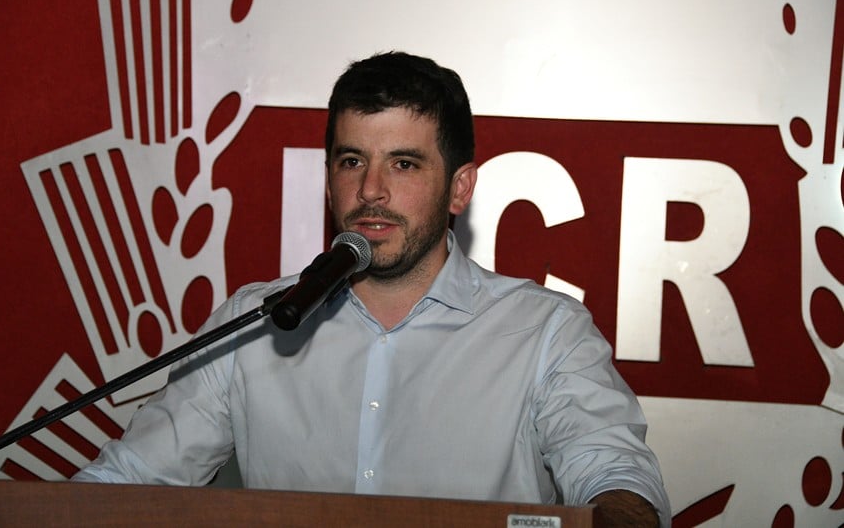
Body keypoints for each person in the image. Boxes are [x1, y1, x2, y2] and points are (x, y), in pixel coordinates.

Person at [73, 51, 671, 526]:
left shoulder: (545, 332)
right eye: (352, 161)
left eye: (404, 164)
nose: (372, 191)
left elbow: (618, 480)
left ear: (460, 189)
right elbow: (127, 485)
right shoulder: (257, 321)